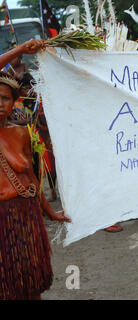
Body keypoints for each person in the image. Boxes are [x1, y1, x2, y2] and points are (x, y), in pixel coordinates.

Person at [0, 41, 71, 299]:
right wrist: (20, 50)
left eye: (5, 99)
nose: (0, 104)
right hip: (2, 219)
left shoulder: (20, 132)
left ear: (14, 103)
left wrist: (51, 212)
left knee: (32, 282)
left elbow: (31, 177)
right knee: (7, 286)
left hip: (28, 216)